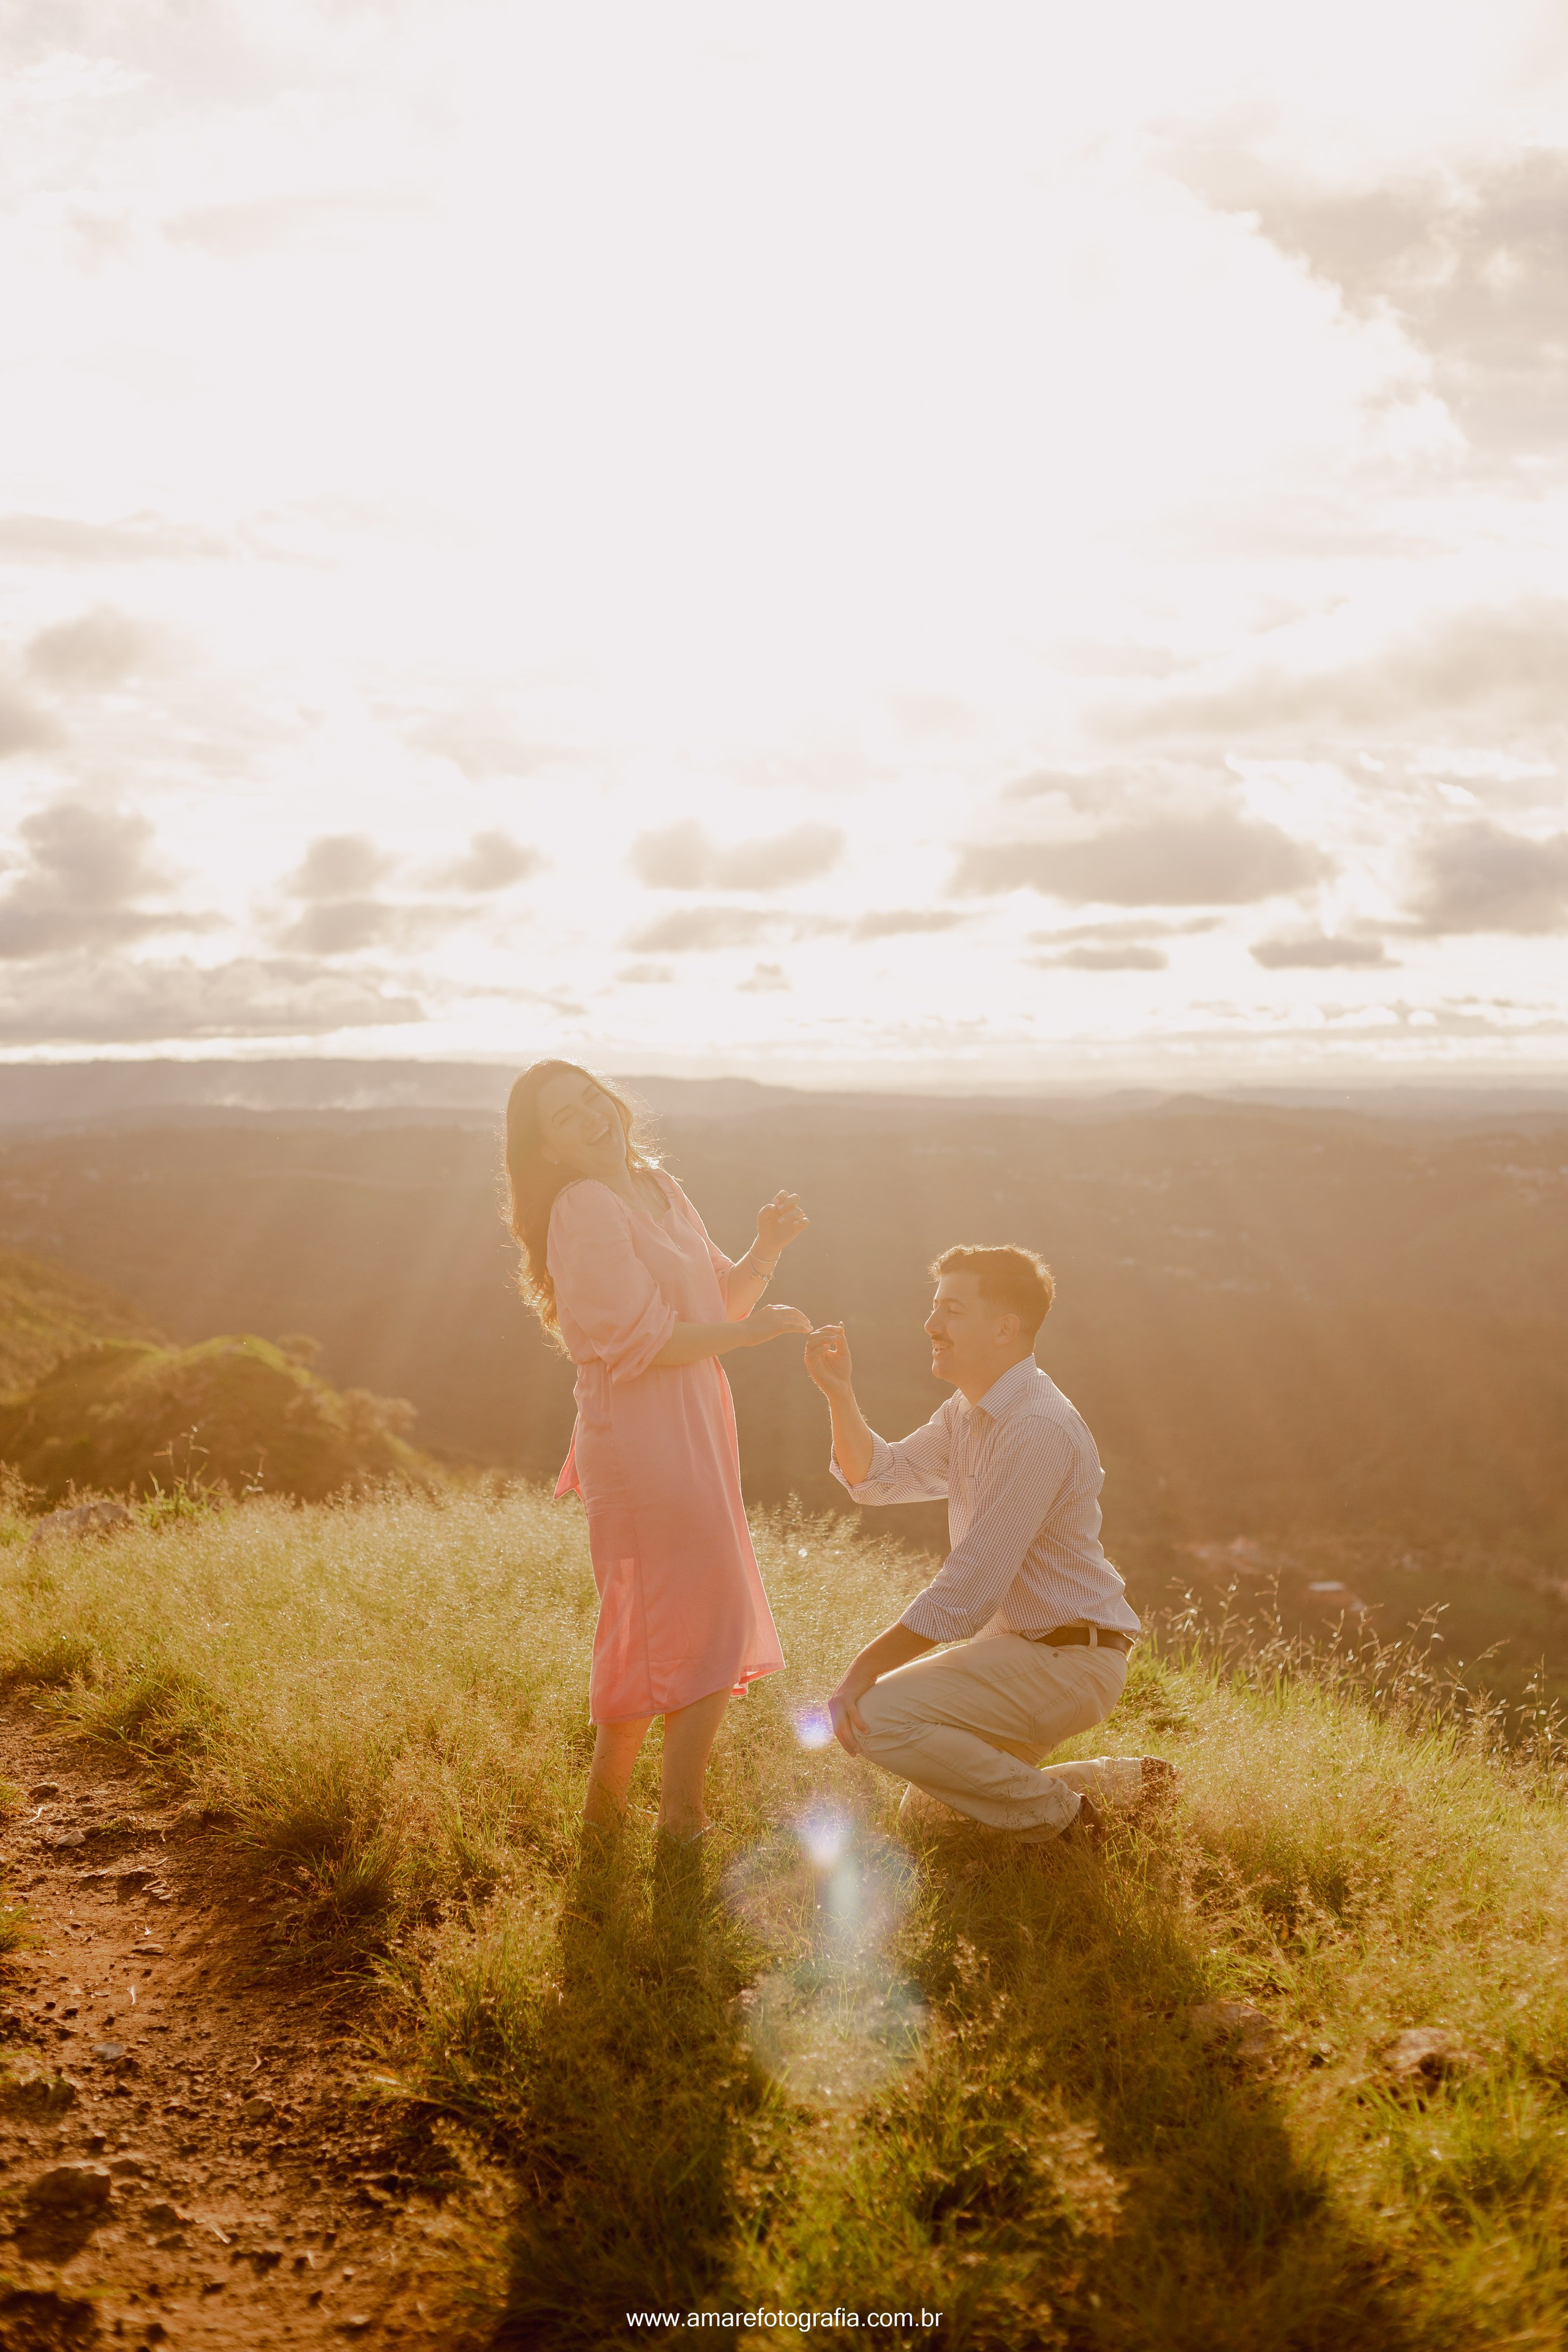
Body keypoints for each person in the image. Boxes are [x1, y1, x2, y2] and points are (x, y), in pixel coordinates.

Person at [505, 1060, 811, 1842]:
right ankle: (640, 1815)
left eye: (591, 1100)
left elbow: (718, 1301)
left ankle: (656, 1813)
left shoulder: (661, 1187)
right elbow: (641, 1339)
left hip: (697, 1417)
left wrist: (765, 1249)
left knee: (707, 1607)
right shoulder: (583, 1206)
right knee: (659, 1613)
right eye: (565, 1118)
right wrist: (745, 1335)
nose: (591, 1118)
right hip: (638, 1432)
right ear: (549, 1151)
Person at [803, 1243, 1173, 1845]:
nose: (931, 1325)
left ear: (1004, 1328)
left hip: (1065, 1660)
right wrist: (839, 1394)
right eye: (934, 1308)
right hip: (1023, 1656)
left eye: (951, 1309)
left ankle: (1071, 1824)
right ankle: (1130, 1786)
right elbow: (878, 1479)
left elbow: (968, 1591)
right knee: (929, 1818)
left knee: (873, 1718)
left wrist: (860, 1674)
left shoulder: (1035, 1426)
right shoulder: (969, 1412)